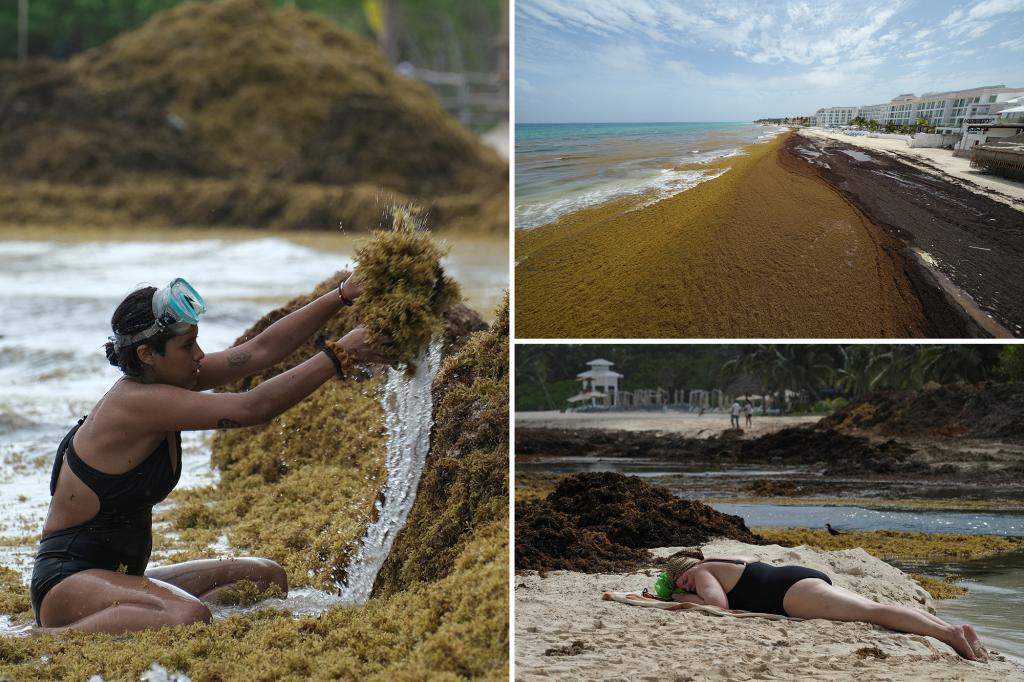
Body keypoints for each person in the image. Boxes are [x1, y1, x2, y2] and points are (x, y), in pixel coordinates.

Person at [31, 274, 392, 634]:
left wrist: (342, 295)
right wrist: (340, 355)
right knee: (187, 617)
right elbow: (254, 408)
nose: (199, 355)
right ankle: (44, 638)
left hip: (118, 579)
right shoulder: (133, 404)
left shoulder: (169, 378)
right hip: (67, 584)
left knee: (265, 578)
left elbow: (261, 351)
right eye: (187, 346)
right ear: (147, 355)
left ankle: (152, 614)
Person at [651, 553, 987, 662]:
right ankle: (952, 630)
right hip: (796, 582)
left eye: (681, 581)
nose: (684, 587)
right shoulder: (721, 563)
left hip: (791, 593)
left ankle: (950, 633)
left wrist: (686, 600)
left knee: (872, 612)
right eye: (680, 586)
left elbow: (718, 606)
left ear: (685, 570)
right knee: (872, 606)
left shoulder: (703, 570)